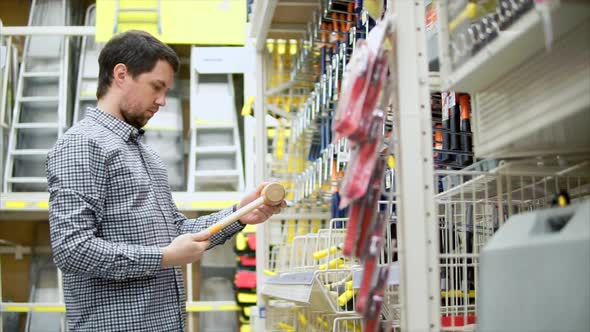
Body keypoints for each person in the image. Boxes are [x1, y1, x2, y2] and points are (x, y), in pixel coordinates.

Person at [46, 30, 284, 331]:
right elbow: (72, 249)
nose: (162, 101)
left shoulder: (146, 155)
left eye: (166, 91)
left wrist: (238, 213)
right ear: (121, 74)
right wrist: (164, 257)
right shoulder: (82, 145)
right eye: (156, 87)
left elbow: (176, 231)